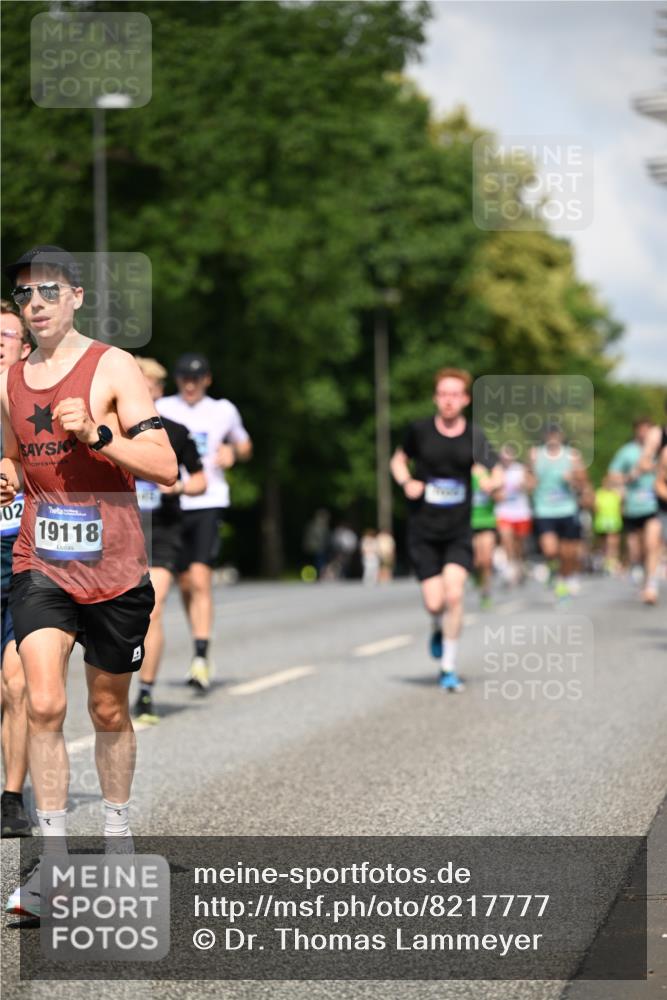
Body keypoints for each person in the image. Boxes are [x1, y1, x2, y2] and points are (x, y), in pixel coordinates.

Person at [1, 246, 177, 917]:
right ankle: (51, 866)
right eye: (25, 294)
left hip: (116, 563)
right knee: (41, 702)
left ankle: (117, 837)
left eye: (48, 290)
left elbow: (164, 465)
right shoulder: (11, 378)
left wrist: (100, 435)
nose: (36, 302)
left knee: (107, 710)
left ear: (75, 296)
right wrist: (10, 471)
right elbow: (15, 451)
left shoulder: (113, 366)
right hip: (41, 560)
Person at [390, 367, 500, 692]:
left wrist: (490, 483)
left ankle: (448, 667)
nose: (449, 401)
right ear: (436, 398)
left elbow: (493, 474)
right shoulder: (419, 431)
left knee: (454, 595)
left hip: (458, 530)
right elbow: (398, 460)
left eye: (455, 395)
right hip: (423, 529)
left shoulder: (475, 437)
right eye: (443, 394)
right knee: (434, 603)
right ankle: (437, 625)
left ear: (465, 399)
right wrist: (406, 481)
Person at [157, 353, 252, 691]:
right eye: (185, 377)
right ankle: (199, 646)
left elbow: (244, 444)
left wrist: (233, 453)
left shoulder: (223, 409)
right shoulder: (164, 407)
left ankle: (200, 655)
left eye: (197, 378)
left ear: (208, 379)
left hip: (208, 499)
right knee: (184, 583)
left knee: (200, 578)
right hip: (170, 501)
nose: (191, 383)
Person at [133, 358, 206, 722]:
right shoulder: (108, 431)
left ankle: (145, 692)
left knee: (153, 606)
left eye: (146, 387)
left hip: (163, 530)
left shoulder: (175, 433)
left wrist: (177, 486)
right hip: (120, 529)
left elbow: (201, 481)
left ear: (159, 392)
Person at [1, 301, 33, 837]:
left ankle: (11, 801)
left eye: (6, 334)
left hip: (25, 553)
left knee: (19, 684)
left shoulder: (38, 398)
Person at [526, 425, 587, 600]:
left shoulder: (572, 455)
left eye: (556, 434)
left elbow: (583, 481)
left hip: (567, 508)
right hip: (544, 509)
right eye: (549, 434)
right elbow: (528, 476)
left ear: (561, 436)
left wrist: (573, 478)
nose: (552, 438)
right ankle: (554, 570)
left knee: (568, 553)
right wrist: (530, 483)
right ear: (544, 436)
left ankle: (563, 579)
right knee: (550, 549)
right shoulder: (535, 454)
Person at [608, 418, 661, 605]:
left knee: (652, 544)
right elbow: (612, 476)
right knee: (636, 551)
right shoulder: (627, 452)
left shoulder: (660, 449)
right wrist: (631, 475)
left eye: (648, 430)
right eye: (641, 430)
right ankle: (639, 572)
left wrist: (655, 468)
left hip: (654, 506)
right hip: (633, 507)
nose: (645, 434)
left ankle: (651, 585)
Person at [494, 444, 532, 586]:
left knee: (519, 543)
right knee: (506, 540)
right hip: (504, 512)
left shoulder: (520, 470)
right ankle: (511, 568)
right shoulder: (497, 470)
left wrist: (524, 485)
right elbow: (493, 491)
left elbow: (531, 485)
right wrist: (497, 494)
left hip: (521, 512)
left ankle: (519, 562)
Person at [470, 462, 503, 608]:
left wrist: (492, 488)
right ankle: (476, 576)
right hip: (469, 523)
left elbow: (500, 497)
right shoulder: (461, 470)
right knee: (476, 560)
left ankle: (486, 591)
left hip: (487, 521)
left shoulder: (490, 472)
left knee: (487, 559)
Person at [593, 474, 623, 575]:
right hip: (602, 522)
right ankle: (605, 562)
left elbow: (621, 505)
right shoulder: (599, 493)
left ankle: (612, 562)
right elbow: (595, 507)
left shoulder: (616, 493)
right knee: (604, 544)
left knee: (613, 543)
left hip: (614, 521)